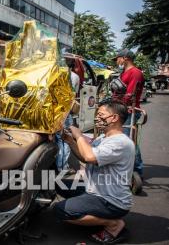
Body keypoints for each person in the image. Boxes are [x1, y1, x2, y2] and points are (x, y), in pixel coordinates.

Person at [56, 100, 135, 244]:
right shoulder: (103, 137)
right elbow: (86, 158)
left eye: (101, 115)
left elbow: (89, 156)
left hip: (111, 200)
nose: (97, 118)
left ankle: (112, 223)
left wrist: (79, 136)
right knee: (59, 184)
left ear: (114, 118)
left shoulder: (120, 142)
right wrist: (70, 141)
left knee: (61, 211)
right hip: (94, 190)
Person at [113, 49, 144, 176]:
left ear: (125, 58)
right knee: (119, 141)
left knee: (128, 143)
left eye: (118, 58)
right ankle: (122, 169)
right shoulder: (123, 72)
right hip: (120, 109)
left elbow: (129, 96)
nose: (117, 61)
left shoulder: (135, 73)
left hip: (129, 111)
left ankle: (137, 170)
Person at [55, 59, 80, 171]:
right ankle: (63, 167)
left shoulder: (56, 74)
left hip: (56, 112)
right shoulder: (75, 77)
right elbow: (74, 95)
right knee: (65, 138)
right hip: (66, 112)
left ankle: (59, 165)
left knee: (59, 139)